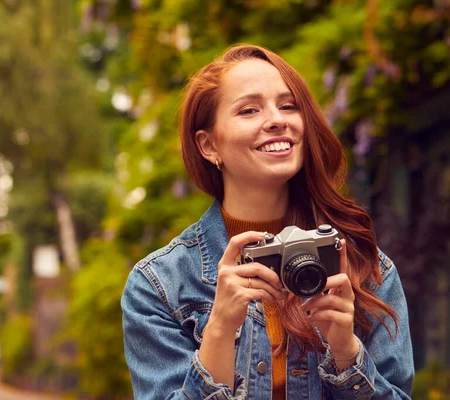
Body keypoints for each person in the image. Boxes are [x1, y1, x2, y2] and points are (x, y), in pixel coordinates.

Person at [121, 44, 414, 399]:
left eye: (288, 105)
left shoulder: (365, 269)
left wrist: (346, 352)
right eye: (249, 110)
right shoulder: (159, 286)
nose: (277, 119)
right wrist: (219, 329)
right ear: (208, 145)